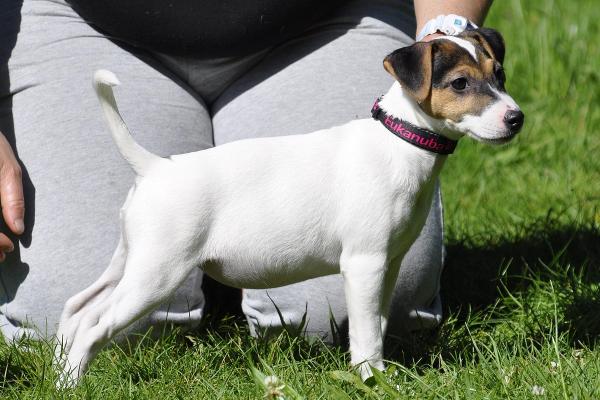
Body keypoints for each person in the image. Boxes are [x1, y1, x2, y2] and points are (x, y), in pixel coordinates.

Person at [0, 0, 492, 342]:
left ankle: (223, 249)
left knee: (343, 313)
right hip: (82, 25)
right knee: (63, 322)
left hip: (325, 24)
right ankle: (213, 250)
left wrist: (448, 32)